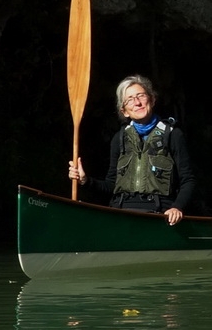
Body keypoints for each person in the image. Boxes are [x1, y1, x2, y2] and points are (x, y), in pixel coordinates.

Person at [69, 75, 195, 225]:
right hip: (121, 210)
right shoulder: (119, 139)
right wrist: (85, 181)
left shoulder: (173, 135)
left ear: (152, 100)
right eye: (130, 99)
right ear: (125, 111)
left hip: (158, 213)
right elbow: (111, 185)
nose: (137, 102)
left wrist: (176, 207)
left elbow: (188, 180)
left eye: (141, 95)